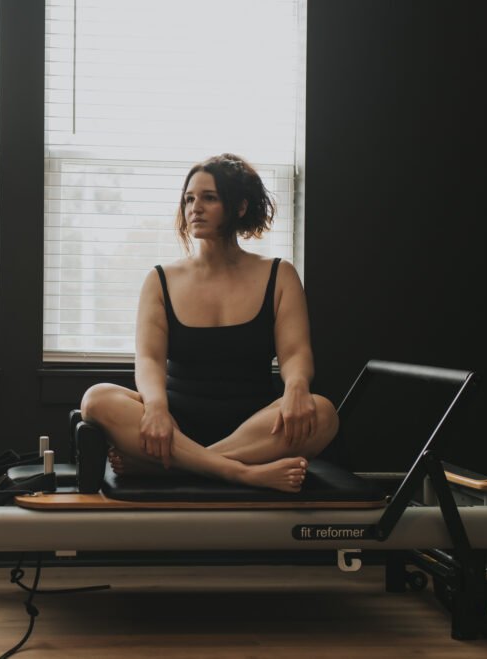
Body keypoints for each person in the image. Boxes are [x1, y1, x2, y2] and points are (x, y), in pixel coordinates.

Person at [80, 154, 339, 493]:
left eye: (209, 198)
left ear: (240, 207)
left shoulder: (279, 274)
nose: (194, 208)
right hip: (175, 425)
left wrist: (296, 389)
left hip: (256, 425)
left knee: (324, 413)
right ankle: (239, 472)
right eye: (189, 199)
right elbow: (149, 360)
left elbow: (295, 353)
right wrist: (156, 409)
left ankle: (173, 469)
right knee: (96, 399)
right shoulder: (160, 279)